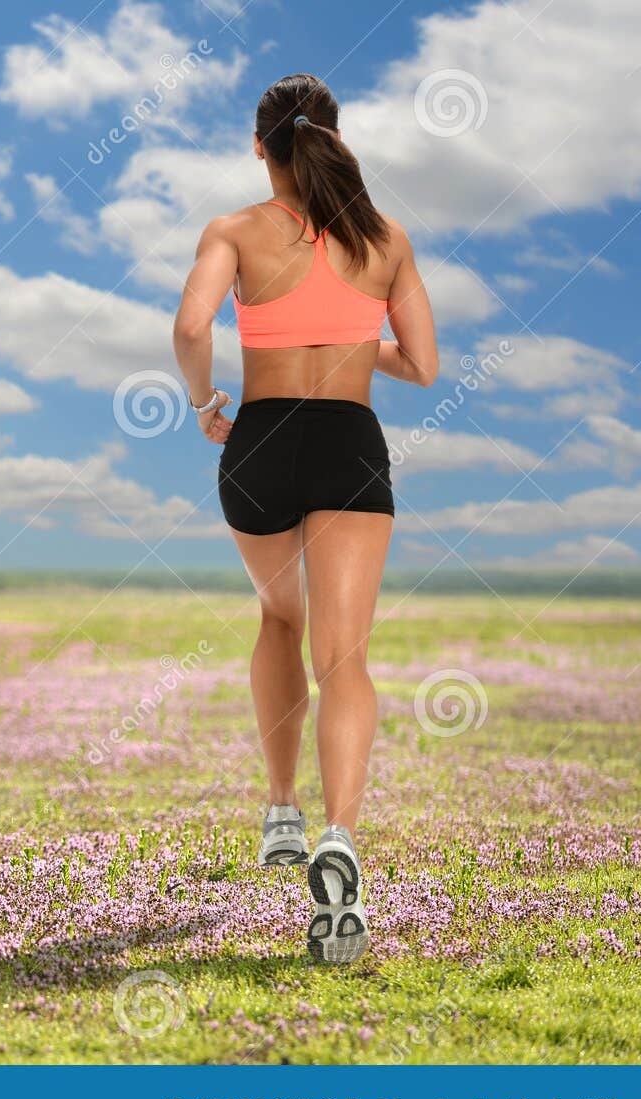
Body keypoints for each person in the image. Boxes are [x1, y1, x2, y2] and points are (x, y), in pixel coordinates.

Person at [171, 73, 438, 964]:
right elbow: (426, 365)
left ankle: (280, 810)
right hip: (350, 444)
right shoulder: (385, 239)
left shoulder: (235, 230)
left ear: (261, 146)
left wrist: (208, 401)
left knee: (278, 616)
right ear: (332, 136)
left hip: (259, 440)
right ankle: (339, 839)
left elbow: (189, 325)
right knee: (345, 656)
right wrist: (359, 341)